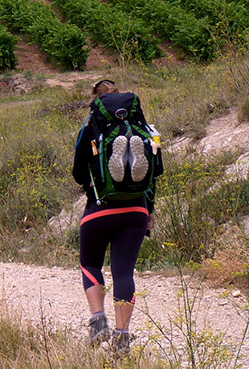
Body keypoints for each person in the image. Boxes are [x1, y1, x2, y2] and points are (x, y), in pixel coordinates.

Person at [72, 79, 160, 356]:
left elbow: (77, 172)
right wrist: (149, 210)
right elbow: (156, 170)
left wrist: (92, 177)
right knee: (123, 272)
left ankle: (98, 321)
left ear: (95, 101)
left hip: (99, 208)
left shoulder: (91, 126)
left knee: (91, 264)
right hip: (136, 210)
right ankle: (122, 337)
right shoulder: (141, 125)